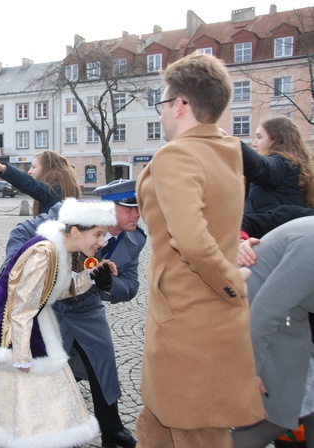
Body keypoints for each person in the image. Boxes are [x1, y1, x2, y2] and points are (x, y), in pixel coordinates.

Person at [135, 52, 265, 447]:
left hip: (190, 324)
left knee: (197, 432)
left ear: (180, 104)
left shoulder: (178, 154)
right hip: (191, 320)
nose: (161, 115)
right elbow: (216, 224)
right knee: (157, 427)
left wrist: (232, 281)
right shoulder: (225, 150)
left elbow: (190, 239)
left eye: (162, 104)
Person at [0, 198, 117, 447]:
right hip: (10, 330)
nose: (102, 242)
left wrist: (92, 276)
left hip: (25, 324)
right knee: (18, 394)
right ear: (75, 232)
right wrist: (23, 357)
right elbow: (22, 307)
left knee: (20, 399)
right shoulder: (45, 253)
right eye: (98, 235)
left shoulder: (62, 247)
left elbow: (57, 288)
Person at [4, 179, 144, 448]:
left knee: (102, 365)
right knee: (42, 371)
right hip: (49, 308)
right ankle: (30, 432)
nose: (136, 214)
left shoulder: (135, 238)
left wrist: (108, 284)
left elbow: (131, 285)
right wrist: (25, 270)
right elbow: (22, 233)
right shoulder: (70, 214)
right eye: (129, 208)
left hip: (86, 308)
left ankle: (112, 430)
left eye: (138, 207)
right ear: (108, 209)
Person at [231, 217, 314, 448]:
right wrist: (250, 370)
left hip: (287, 323)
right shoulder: (311, 246)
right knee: (277, 417)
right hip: (261, 322)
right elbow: (266, 311)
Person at [242, 115, 314, 215]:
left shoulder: (284, 164)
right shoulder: (293, 166)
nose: (254, 143)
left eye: (259, 137)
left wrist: (231, 144)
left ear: (277, 140)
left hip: (271, 229)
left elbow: (261, 167)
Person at [0, 150, 80, 215]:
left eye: (33, 167)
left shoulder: (51, 191)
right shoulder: (66, 188)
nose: (29, 171)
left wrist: (4, 169)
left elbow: (28, 183)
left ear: (48, 169)